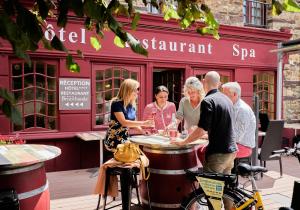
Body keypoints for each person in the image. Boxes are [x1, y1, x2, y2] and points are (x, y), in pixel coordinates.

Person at [104, 78, 153, 151]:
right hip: (114, 139)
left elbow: (133, 122)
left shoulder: (132, 105)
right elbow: (124, 122)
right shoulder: (116, 103)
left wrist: (142, 132)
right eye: (135, 89)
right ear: (128, 90)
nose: (137, 92)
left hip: (125, 138)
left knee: (136, 154)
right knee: (133, 155)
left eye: (138, 89)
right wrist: (144, 123)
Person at [222, 82, 256, 158]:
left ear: (234, 94)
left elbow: (237, 137)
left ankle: (218, 170)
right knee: (202, 149)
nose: (222, 97)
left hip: (243, 146)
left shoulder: (243, 110)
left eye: (225, 94)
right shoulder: (230, 106)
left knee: (212, 152)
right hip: (232, 144)